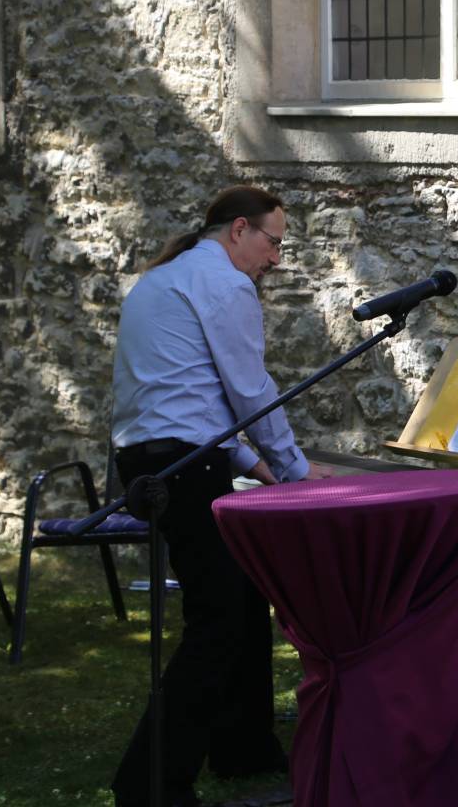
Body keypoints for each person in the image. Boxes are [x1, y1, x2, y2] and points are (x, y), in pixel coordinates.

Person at [110, 185, 324, 807]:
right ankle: (150, 783)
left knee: (245, 588)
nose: (276, 258)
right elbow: (250, 391)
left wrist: (255, 464)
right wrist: (291, 468)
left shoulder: (167, 277)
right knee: (219, 619)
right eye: (274, 241)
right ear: (239, 230)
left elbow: (190, 398)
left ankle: (243, 746)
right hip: (179, 468)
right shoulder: (225, 284)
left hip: (160, 460)